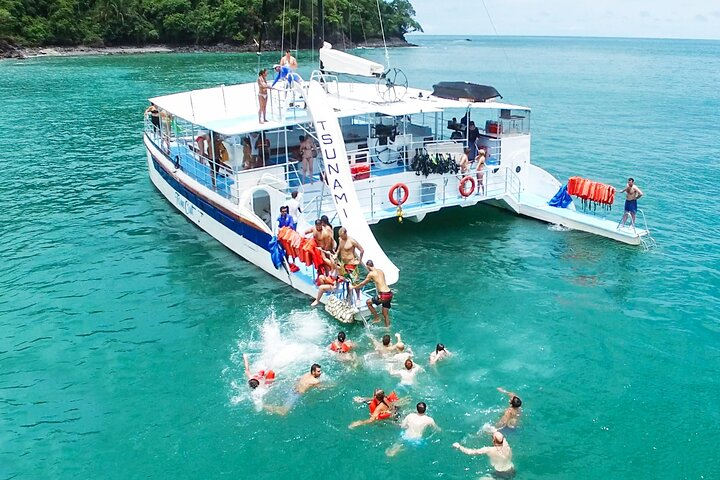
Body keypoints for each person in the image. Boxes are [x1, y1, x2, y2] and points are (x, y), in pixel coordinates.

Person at [352, 260, 393, 326]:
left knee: (368, 302)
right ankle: (388, 329)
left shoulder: (371, 274)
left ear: (367, 266)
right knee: (385, 315)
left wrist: (354, 287)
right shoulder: (380, 271)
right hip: (389, 294)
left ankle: (377, 318)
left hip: (383, 295)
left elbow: (363, 283)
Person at [336, 227, 364, 303]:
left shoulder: (352, 241)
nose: (341, 237)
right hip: (343, 264)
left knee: (355, 281)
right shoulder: (340, 239)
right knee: (345, 280)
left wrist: (359, 260)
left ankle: (358, 298)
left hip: (351, 263)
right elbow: (339, 248)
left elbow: (361, 250)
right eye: (340, 236)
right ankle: (348, 296)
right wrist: (336, 254)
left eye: (342, 236)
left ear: (345, 233)